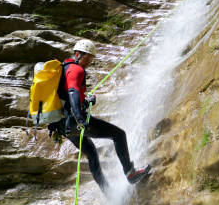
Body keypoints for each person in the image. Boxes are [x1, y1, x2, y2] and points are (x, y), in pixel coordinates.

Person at [48, 39, 150, 193]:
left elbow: (69, 97)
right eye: (87, 58)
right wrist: (80, 118)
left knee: (91, 153)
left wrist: (86, 101)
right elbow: (73, 93)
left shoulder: (65, 70)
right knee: (118, 135)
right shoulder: (76, 70)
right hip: (75, 122)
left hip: (63, 126)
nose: (89, 62)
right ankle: (131, 173)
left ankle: (108, 193)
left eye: (91, 59)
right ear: (78, 54)